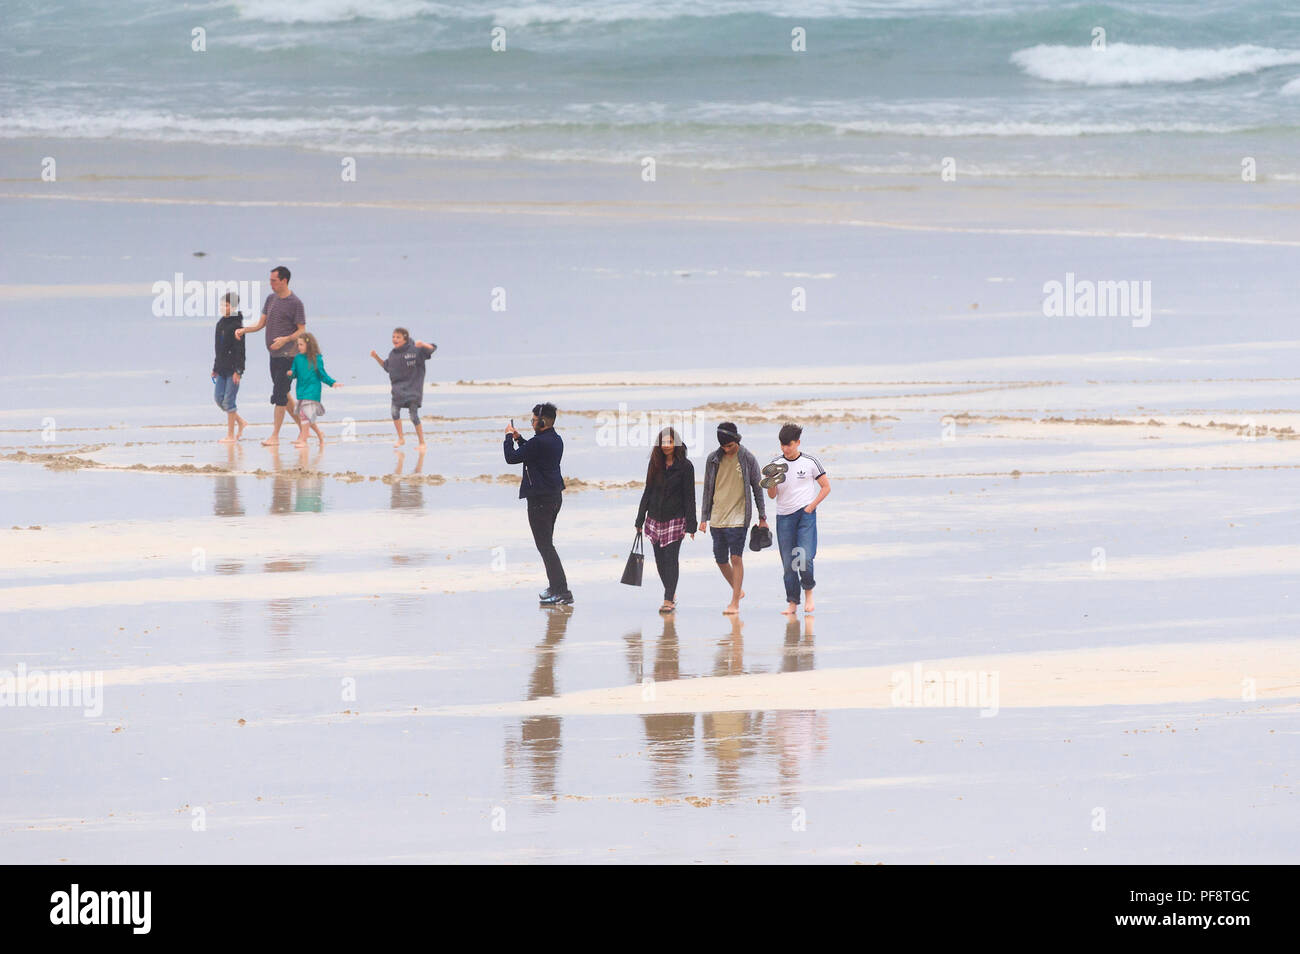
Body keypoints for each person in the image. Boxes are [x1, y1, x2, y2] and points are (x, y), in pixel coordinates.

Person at [504, 403, 571, 605]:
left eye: (533, 420)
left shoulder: (539, 443)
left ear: (542, 422)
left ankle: (562, 591)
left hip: (541, 500)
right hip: (553, 497)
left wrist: (508, 437)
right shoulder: (555, 439)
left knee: (545, 546)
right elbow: (533, 452)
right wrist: (519, 439)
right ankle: (555, 586)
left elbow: (511, 458)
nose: (531, 423)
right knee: (546, 545)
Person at [699, 422, 767, 614]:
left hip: (739, 516)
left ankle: (734, 602)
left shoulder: (748, 458)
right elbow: (707, 490)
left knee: (736, 557)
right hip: (718, 517)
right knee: (720, 559)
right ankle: (738, 591)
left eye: (730, 445)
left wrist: (762, 516)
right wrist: (704, 517)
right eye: (724, 446)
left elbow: (757, 488)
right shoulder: (713, 459)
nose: (727, 449)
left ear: (737, 440)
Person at [763, 422, 830, 616]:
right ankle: (792, 602)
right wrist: (772, 481)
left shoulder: (810, 462)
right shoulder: (775, 464)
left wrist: (811, 507)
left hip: (805, 515)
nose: (785, 449)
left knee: (805, 558)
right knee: (788, 563)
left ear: (797, 442)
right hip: (784, 517)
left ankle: (809, 592)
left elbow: (826, 487)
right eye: (782, 445)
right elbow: (772, 495)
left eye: (789, 444)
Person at [235, 265, 306, 445]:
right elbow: (261, 324)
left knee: (279, 396)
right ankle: (304, 429)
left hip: (289, 355)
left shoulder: (295, 303)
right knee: (284, 393)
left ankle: (275, 436)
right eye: (270, 280)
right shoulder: (270, 299)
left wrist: (285, 339)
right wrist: (245, 330)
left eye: (274, 280)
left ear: (284, 280)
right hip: (273, 356)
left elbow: (302, 330)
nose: (271, 284)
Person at [635, 427, 697, 614]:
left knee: (671, 559)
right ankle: (671, 590)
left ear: (676, 443)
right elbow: (647, 491)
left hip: (675, 519)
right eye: (663, 442)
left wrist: (692, 524)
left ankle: (668, 599)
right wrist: (639, 519)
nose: (666, 446)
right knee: (660, 561)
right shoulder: (655, 464)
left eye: (670, 442)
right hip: (654, 518)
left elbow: (689, 497)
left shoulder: (686, 466)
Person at [371, 328, 436, 450]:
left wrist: (422, 344)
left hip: (413, 389)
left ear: (405, 339)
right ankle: (401, 438)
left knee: (413, 416)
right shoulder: (393, 354)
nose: (394, 339)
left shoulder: (415, 349)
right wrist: (376, 357)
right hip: (398, 390)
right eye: (393, 337)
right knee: (394, 412)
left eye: (398, 337)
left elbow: (432, 348)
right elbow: (387, 367)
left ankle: (422, 442)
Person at [286, 332, 340, 448]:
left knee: (305, 415)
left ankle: (304, 441)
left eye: (301, 344)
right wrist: (290, 374)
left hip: (313, 391)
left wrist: (332, 383)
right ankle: (319, 435)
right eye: (298, 344)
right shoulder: (297, 358)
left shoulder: (316, 358)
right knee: (305, 416)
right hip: (301, 391)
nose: (299, 347)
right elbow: (294, 373)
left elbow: (322, 374)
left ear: (308, 345)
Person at [212, 291, 248, 443]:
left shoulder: (237, 325)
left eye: (226, 305)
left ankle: (231, 435)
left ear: (233, 307)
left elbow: (241, 350)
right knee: (219, 399)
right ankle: (240, 422)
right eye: (221, 305)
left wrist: (238, 371)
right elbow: (218, 349)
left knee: (229, 401)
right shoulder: (220, 324)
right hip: (221, 368)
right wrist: (215, 367)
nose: (223, 307)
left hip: (233, 369)